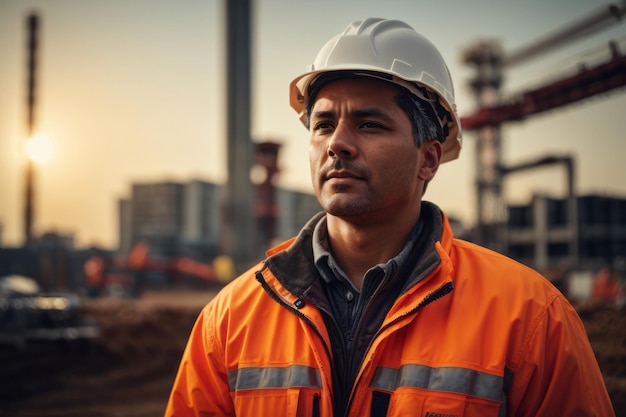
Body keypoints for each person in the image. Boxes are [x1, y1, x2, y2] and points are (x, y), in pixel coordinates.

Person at [165, 18, 615, 417]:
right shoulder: (229, 318)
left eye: (369, 124)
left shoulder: (531, 317)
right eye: (323, 125)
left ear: (429, 160)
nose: (336, 143)